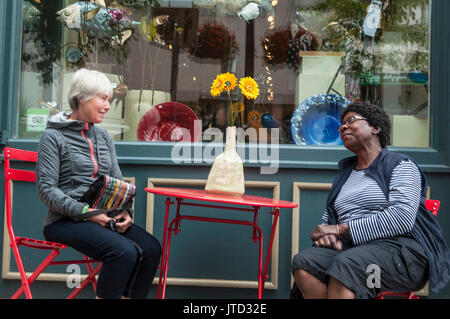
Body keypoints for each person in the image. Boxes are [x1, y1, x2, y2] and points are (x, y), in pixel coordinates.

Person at [291, 102, 450, 299]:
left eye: (351, 121)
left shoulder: (401, 165)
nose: (342, 127)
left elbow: (402, 219)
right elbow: (330, 220)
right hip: (352, 249)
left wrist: (341, 229)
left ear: (376, 127)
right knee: (304, 263)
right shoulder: (345, 174)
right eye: (341, 125)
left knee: (347, 265)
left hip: (400, 252)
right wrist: (328, 235)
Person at [37, 68, 162, 299]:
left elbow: (117, 183)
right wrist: (88, 212)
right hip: (64, 220)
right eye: (103, 99)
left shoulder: (104, 137)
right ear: (81, 98)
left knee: (151, 249)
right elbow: (46, 190)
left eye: (109, 100)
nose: (107, 106)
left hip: (103, 217)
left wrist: (124, 211)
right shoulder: (52, 137)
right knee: (123, 252)